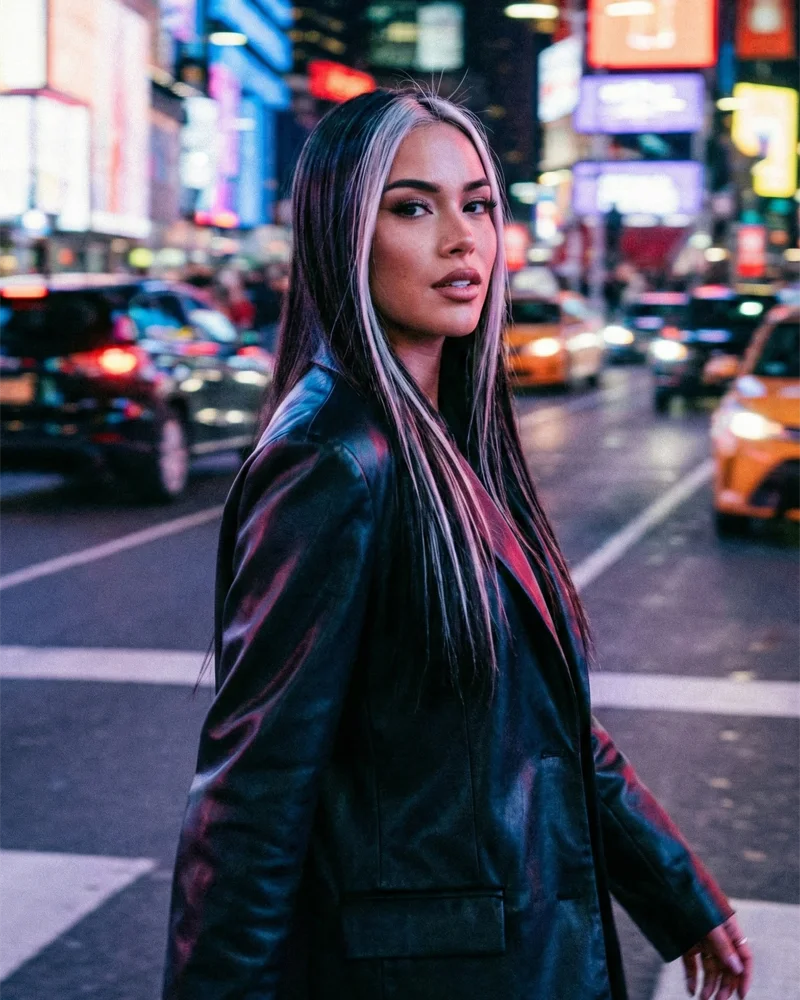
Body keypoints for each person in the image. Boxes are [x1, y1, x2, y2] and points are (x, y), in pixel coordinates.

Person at [163, 89, 753, 1000]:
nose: (461, 239)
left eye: (476, 203)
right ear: (342, 236)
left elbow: (539, 724)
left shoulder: (442, 441)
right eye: (411, 207)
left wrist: (677, 890)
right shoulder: (333, 461)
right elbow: (253, 796)